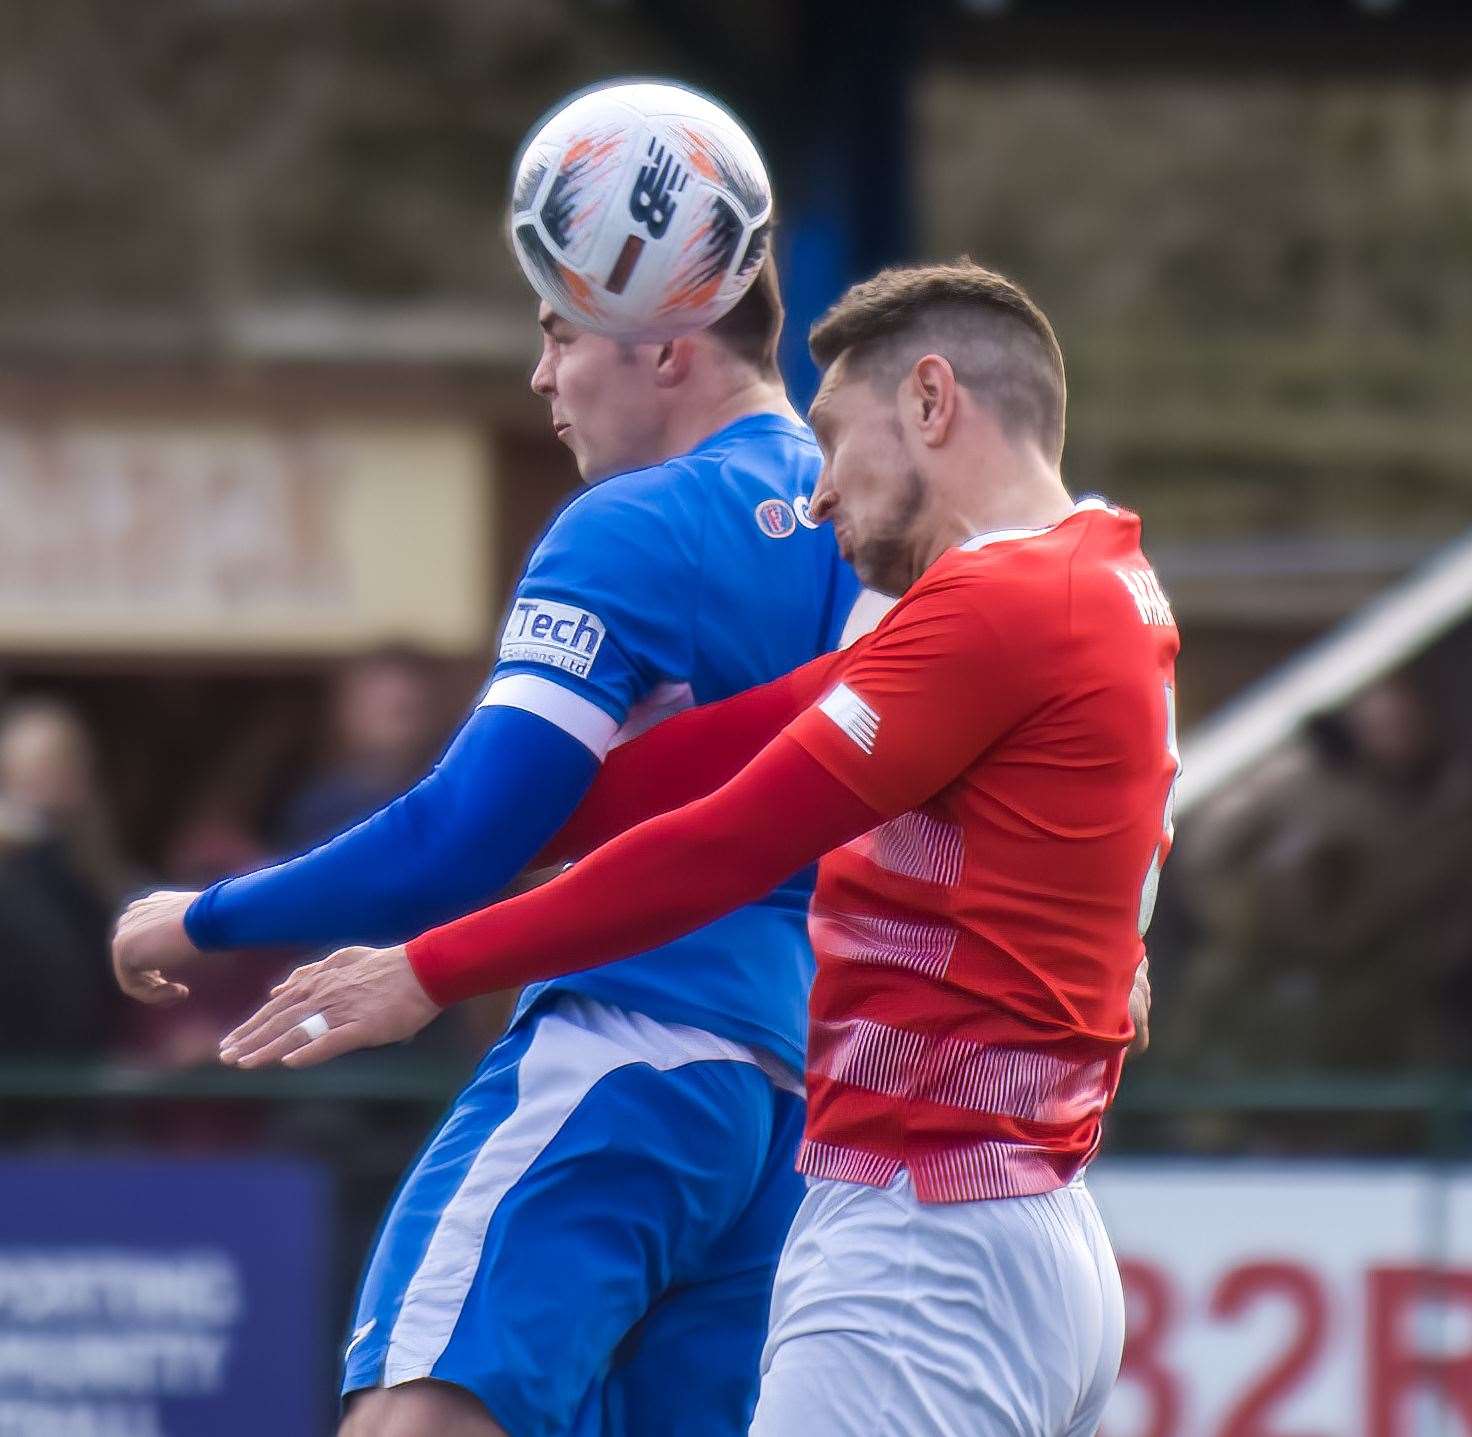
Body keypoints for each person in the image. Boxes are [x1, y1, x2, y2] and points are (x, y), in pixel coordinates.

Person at [229, 259, 1178, 1436]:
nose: (821, 498)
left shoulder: (996, 609)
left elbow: (717, 845)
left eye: (834, 441)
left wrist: (424, 968)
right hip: (1019, 1223)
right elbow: (721, 751)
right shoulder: (1109, 581)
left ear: (930, 402)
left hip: (924, 1231)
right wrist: (472, 840)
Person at [113, 258, 867, 1437]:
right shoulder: (866, 516)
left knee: (417, 1417)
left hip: (632, 1050)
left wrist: (203, 917)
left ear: (665, 345)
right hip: (799, 1103)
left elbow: (463, 834)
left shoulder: (637, 520)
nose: (539, 376)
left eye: (560, 336)